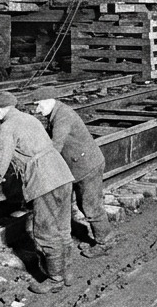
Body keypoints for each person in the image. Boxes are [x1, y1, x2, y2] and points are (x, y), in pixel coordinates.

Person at [0, 91, 74, 293]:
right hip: (62, 174)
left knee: (45, 231)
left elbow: (0, 164)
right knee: (62, 226)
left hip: (44, 182)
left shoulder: (7, 127)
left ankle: (55, 279)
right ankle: (66, 272)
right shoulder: (30, 119)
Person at [35, 92, 114, 257]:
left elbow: (56, 145)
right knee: (83, 204)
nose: (36, 109)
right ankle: (101, 237)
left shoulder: (63, 116)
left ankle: (105, 242)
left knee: (91, 206)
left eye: (39, 104)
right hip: (81, 165)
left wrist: (40, 168)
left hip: (87, 166)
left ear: (49, 100)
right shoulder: (56, 113)